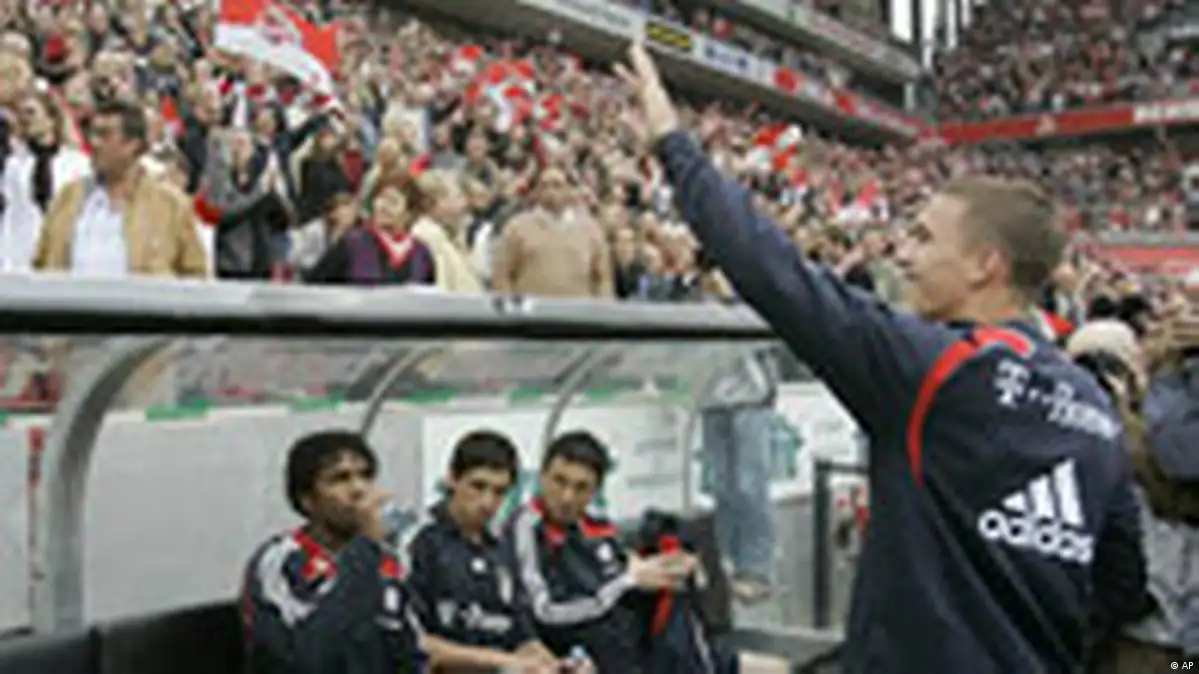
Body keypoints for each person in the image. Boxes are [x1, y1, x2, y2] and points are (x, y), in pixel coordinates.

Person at [615, 42, 1147, 672]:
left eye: (923, 238)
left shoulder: (933, 368)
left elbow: (772, 271)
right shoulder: (1092, 406)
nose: (902, 254)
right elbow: (1121, 586)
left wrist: (673, 143)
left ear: (986, 265)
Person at [241, 430, 426, 674]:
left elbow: (409, 649)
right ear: (307, 499)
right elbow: (311, 658)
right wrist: (365, 547)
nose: (359, 489)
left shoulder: (383, 558)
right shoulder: (280, 561)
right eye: (340, 479)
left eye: (366, 476)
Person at [402, 431, 584, 673]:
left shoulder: (502, 547)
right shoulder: (420, 542)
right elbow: (413, 641)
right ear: (452, 478)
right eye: (478, 486)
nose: (487, 502)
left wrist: (554, 666)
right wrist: (502, 661)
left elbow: (521, 637)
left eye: (499, 492)